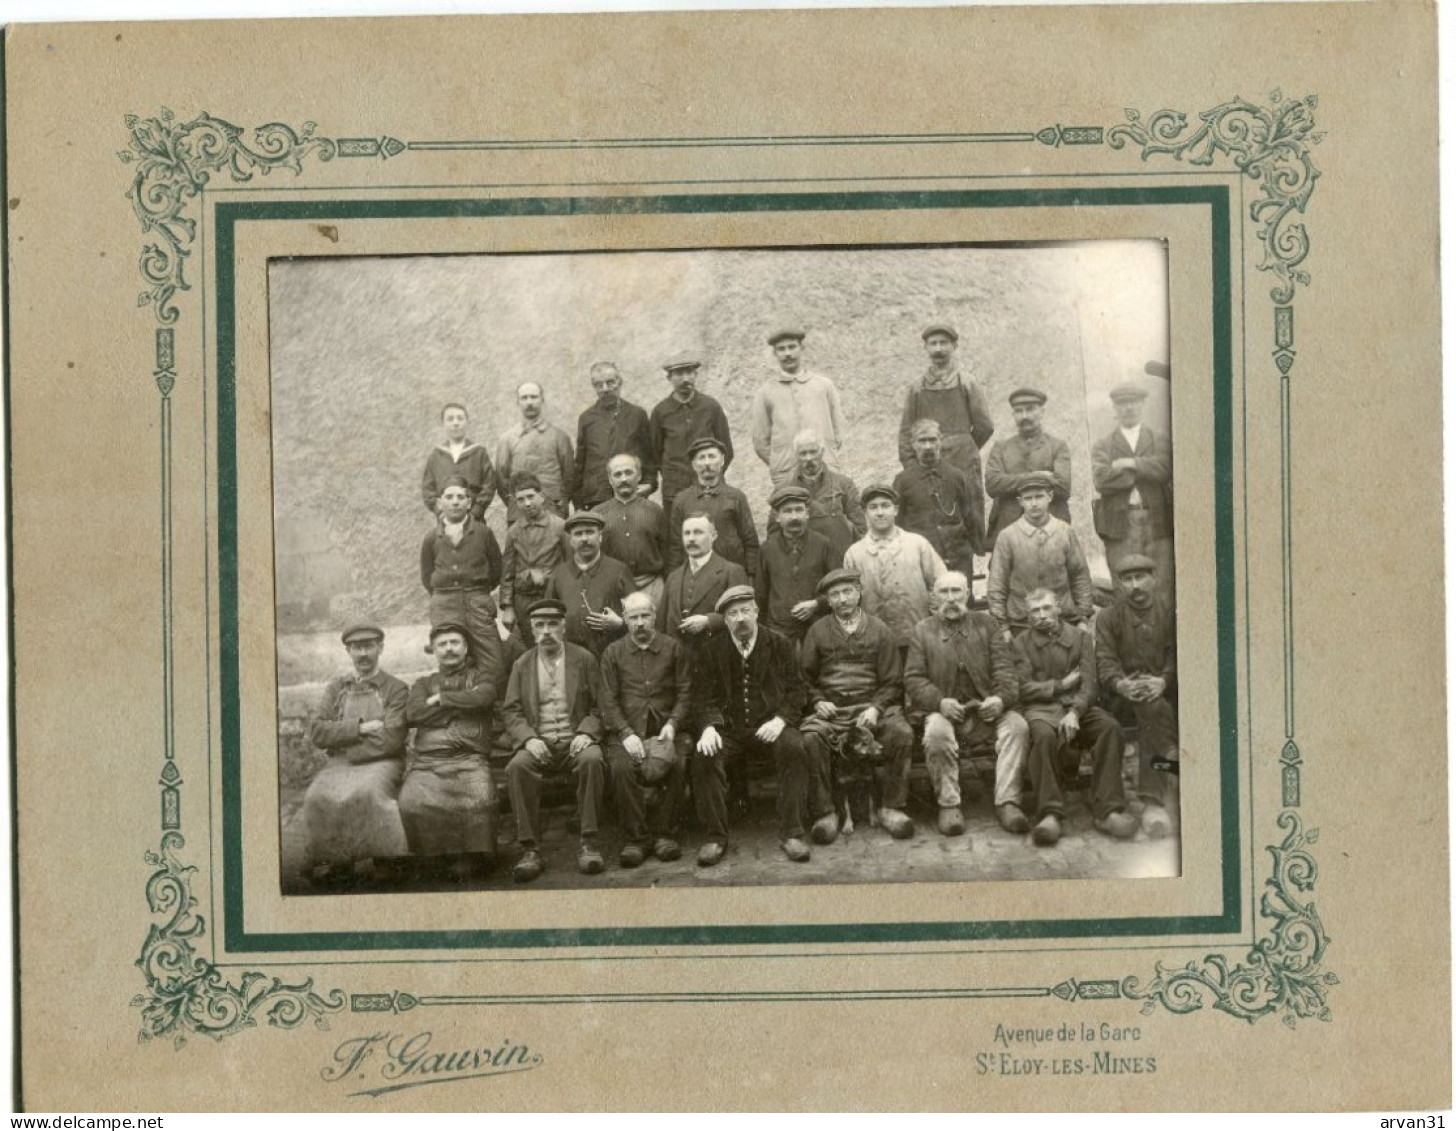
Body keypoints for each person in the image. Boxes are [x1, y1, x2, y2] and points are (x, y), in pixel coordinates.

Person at [691, 586, 813, 866]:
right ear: (724, 620)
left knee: (794, 747)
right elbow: (701, 697)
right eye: (732, 614)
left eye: (746, 610)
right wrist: (709, 726)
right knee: (704, 756)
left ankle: (792, 833)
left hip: (771, 725)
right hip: (730, 731)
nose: (740, 618)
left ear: (757, 612)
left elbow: (797, 691)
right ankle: (714, 837)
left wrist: (781, 720)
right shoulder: (712, 650)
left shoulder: (779, 644)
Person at [904, 571, 1031, 837]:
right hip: (943, 710)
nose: (951, 599)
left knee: (1018, 727)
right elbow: (913, 679)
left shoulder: (988, 625)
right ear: (934, 597)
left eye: (956, 591)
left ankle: (1007, 801)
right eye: (944, 592)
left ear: (968, 595)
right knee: (936, 733)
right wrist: (940, 702)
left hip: (986, 707)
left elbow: (1005, 670)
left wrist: (1000, 698)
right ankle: (949, 804)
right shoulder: (922, 630)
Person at [1012, 588, 1138, 846]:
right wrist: (1058, 685)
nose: (1042, 616)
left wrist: (1075, 712)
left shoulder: (1080, 638)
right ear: (1028, 615)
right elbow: (1022, 688)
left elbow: (1089, 683)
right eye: (1035, 611)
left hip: (1078, 707)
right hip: (1041, 709)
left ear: (1058, 607)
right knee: (1044, 736)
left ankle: (1108, 809)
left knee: (1109, 728)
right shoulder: (1021, 643)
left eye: (1047, 608)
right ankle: (1050, 812)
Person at [799, 569, 915, 842]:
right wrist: (818, 701)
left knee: (901, 734)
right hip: (833, 711)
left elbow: (892, 680)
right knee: (811, 739)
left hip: (872, 707)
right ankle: (826, 812)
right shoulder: (817, 631)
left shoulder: (879, 628)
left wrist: (876, 707)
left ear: (859, 592)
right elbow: (803, 678)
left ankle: (890, 806)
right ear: (828, 600)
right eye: (834, 595)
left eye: (847, 592)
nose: (842, 600)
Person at [502, 599, 608, 881]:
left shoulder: (584, 659)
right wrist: (527, 739)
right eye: (539, 626)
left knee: (592, 759)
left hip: (576, 741)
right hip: (540, 741)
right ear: (532, 629)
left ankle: (589, 843)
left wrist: (586, 731)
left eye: (552, 624)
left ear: (563, 626)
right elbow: (511, 710)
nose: (546, 631)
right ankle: (530, 850)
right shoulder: (522, 665)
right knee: (517, 767)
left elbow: (601, 706)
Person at [303, 624, 409, 885]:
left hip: (383, 760)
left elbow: (393, 737)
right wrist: (360, 728)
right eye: (357, 648)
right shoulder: (336, 688)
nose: (363, 654)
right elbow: (317, 732)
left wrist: (344, 741)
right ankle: (337, 860)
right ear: (348, 651)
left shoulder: (395, 688)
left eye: (369, 646)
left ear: (380, 648)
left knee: (368, 793)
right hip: (340, 763)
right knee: (318, 795)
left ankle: (385, 859)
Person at [401, 622, 501, 881]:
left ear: (466, 647)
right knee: (412, 800)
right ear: (433, 650)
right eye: (442, 644)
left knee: (480, 797)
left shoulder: (481, 676)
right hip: (428, 761)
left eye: (454, 642)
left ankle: (474, 856)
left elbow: (484, 698)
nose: (449, 649)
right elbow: (413, 713)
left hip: (469, 758)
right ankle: (433, 857)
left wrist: (441, 700)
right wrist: (459, 705)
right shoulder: (423, 684)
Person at [598, 591, 692, 868]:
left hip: (667, 728)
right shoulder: (612, 653)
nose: (640, 623)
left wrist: (673, 725)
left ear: (654, 616)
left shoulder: (673, 648)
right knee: (621, 768)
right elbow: (608, 699)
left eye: (645, 616)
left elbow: (686, 693)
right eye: (633, 617)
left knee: (679, 762)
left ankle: (665, 834)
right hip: (626, 731)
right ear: (624, 620)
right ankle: (636, 838)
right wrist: (626, 734)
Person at [1095, 555, 1179, 838]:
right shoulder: (1108, 618)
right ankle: (1125, 804)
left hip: (1161, 691)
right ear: (1119, 584)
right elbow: (1105, 661)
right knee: (1128, 720)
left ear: (1153, 579)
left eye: (1140, 578)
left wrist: (1163, 680)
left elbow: (1178, 654)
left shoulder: (1171, 613)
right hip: (1120, 698)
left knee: (1156, 710)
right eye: (1128, 580)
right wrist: (1120, 684)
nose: (1135, 586)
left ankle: (1152, 799)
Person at [897, 324, 994, 525]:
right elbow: (907, 431)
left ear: (954, 346)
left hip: (963, 460)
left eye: (944, 343)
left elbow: (985, 425)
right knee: (930, 511)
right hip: (928, 460)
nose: (939, 349)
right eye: (933, 344)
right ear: (926, 348)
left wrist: (965, 445)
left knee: (967, 510)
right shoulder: (916, 388)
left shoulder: (967, 383)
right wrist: (912, 465)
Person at [986, 471, 1095, 633]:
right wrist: (1003, 626)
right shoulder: (1007, 536)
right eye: (1028, 499)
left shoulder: (1065, 532)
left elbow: (1080, 576)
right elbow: (997, 584)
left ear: (1050, 497)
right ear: (1020, 501)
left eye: (1039, 496)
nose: (1034, 503)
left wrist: (1083, 618)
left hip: (1062, 619)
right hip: (1022, 622)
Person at [841, 484, 947, 651]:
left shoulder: (917, 544)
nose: (880, 512)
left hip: (918, 637)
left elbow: (941, 584)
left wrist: (933, 623)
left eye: (885, 505)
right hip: (875, 643)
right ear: (865, 512)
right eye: (873, 507)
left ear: (896, 510)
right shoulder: (854, 553)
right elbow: (849, 601)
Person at [1091, 379, 1174, 584]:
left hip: (1157, 520)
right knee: (1124, 583)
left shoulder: (1159, 438)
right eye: (1122, 403)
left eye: (1134, 401)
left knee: (1161, 582)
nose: (1129, 407)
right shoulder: (1103, 444)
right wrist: (1145, 469)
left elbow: (1165, 469)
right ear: (1115, 408)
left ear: (1142, 404)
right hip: (1119, 524)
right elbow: (1101, 479)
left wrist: (1131, 463)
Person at [419, 478, 505, 668]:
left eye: (460, 497)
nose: (455, 501)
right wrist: (445, 594)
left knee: (493, 660)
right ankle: (456, 697)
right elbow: (427, 576)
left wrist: (478, 591)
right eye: (449, 497)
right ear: (441, 503)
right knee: (451, 658)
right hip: (444, 604)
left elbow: (497, 569)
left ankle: (491, 696)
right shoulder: (431, 537)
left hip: (477, 601)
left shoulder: (484, 533)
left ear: (469, 503)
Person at [750, 328, 845, 486]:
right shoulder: (765, 392)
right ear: (775, 353)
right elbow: (760, 441)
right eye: (781, 349)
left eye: (792, 347)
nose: (787, 353)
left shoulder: (824, 385)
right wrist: (780, 462)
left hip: (825, 471)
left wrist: (828, 457)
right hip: (787, 474)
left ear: (802, 348)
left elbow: (838, 433)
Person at [983, 387, 1072, 545]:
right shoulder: (1001, 448)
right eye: (1019, 411)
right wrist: (1040, 476)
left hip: (1050, 531)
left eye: (1030, 410)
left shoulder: (1057, 446)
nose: (1024, 416)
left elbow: (1063, 488)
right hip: (1009, 530)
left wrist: (1011, 482)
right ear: (1013, 415)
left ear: (1042, 412)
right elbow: (993, 485)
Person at [893, 418, 984, 574]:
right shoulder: (903, 481)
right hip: (920, 559)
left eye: (932, 440)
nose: (928, 446)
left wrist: (976, 549)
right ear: (913, 444)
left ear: (940, 441)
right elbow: (897, 524)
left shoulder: (957, 476)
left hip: (958, 558)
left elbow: (970, 518)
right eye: (922, 441)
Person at [658, 512, 751, 660]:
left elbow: (747, 617)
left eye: (698, 532)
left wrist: (709, 621)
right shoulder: (673, 577)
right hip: (678, 664)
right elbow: (661, 625)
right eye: (686, 533)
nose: (691, 538)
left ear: (714, 536)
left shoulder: (731, 572)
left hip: (716, 661)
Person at [755, 484, 839, 645]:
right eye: (787, 511)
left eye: (799, 510)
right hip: (779, 630)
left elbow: (837, 587)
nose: (794, 516)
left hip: (817, 627)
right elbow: (761, 595)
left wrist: (816, 604)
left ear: (807, 513)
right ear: (777, 517)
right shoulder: (767, 549)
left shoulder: (824, 544)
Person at [667, 436, 760, 579]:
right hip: (695, 576)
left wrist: (751, 576)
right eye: (701, 458)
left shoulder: (736, 497)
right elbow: (674, 546)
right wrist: (673, 579)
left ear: (722, 460)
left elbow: (750, 541)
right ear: (693, 464)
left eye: (711, 456)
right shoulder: (682, 500)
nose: (707, 463)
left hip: (731, 574)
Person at [649, 355, 734, 511]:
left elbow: (726, 449)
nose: (685, 379)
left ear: (696, 375)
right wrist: (673, 475)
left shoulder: (711, 406)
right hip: (674, 490)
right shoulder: (660, 412)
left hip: (709, 487)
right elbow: (655, 453)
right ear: (669, 377)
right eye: (679, 374)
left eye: (689, 372)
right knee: (676, 533)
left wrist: (711, 475)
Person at [545, 511, 634, 658]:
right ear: (571, 540)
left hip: (610, 657)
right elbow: (548, 617)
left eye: (590, 532)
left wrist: (619, 624)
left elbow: (639, 615)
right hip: (570, 659)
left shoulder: (619, 570)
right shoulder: (559, 574)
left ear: (600, 537)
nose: (584, 539)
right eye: (578, 534)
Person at [768, 428, 865, 558]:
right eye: (803, 453)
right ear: (796, 455)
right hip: (801, 563)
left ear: (822, 452)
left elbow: (861, 529)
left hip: (838, 560)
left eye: (813, 452)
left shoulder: (844, 485)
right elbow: (774, 535)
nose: (809, 458)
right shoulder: (782, 490)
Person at [498, 472, 569, 647]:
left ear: (542, 497)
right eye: (521, 499)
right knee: (531, 645)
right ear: (515, 502)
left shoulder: (560, 526)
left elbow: (571, 567)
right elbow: (507, 572)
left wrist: (546, 576)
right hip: (523, 600)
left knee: (555, 643)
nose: (527, 503)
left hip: (552, 596)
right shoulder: (514, 531)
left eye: (531, 497)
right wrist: (507, 607)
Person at [573, 361, 657, 510]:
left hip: (631, 493)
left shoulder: (637, 415)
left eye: (610, 382)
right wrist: (578, 503)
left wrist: (650, 484)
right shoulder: (586, 418)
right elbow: (580, 462)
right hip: (597, 496)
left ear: (620, 382)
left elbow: (649, 455)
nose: (605, 389)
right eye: (599, 385)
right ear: (594, 388)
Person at [592, 453, 669, 606]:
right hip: (613, 587)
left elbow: (668, 551)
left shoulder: (655, 511)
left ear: (639, 476)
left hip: (651, 585)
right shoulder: (597, 514)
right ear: (610, 479)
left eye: (629, 472)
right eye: (617, 474)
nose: (624, 479)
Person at [495, 382, 575, 519]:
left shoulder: (559, 436)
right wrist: (514, 502)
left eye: (534, 397)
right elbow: (501, 478)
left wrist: (560, 503)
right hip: (519, 512)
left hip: (553, 509)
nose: (529, 402)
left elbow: (569, 475)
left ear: (542, 400)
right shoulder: (507, 439)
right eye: (524, 398)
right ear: (518, 402)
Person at [421, 402, 497, 521]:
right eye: (450, 419)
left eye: (460, 418)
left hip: (475, 519)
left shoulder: (479, 452)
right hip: (445, 519)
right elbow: (428, 489)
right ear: (443, 423)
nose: (455, 423)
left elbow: (489, 484)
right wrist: (440, 512)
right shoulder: (436, 455)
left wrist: (476, 511)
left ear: (467, 422)